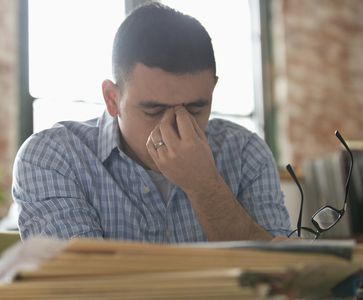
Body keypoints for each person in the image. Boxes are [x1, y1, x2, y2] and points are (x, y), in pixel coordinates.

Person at [12, 2, 291, 242]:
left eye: (195, 108)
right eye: (154, 109)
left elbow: (281, 277)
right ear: (112, 99)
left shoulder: (245, 152)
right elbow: (78, 285)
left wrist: (205, 186)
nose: (176, 125)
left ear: (213, 91)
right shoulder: (53, 157)